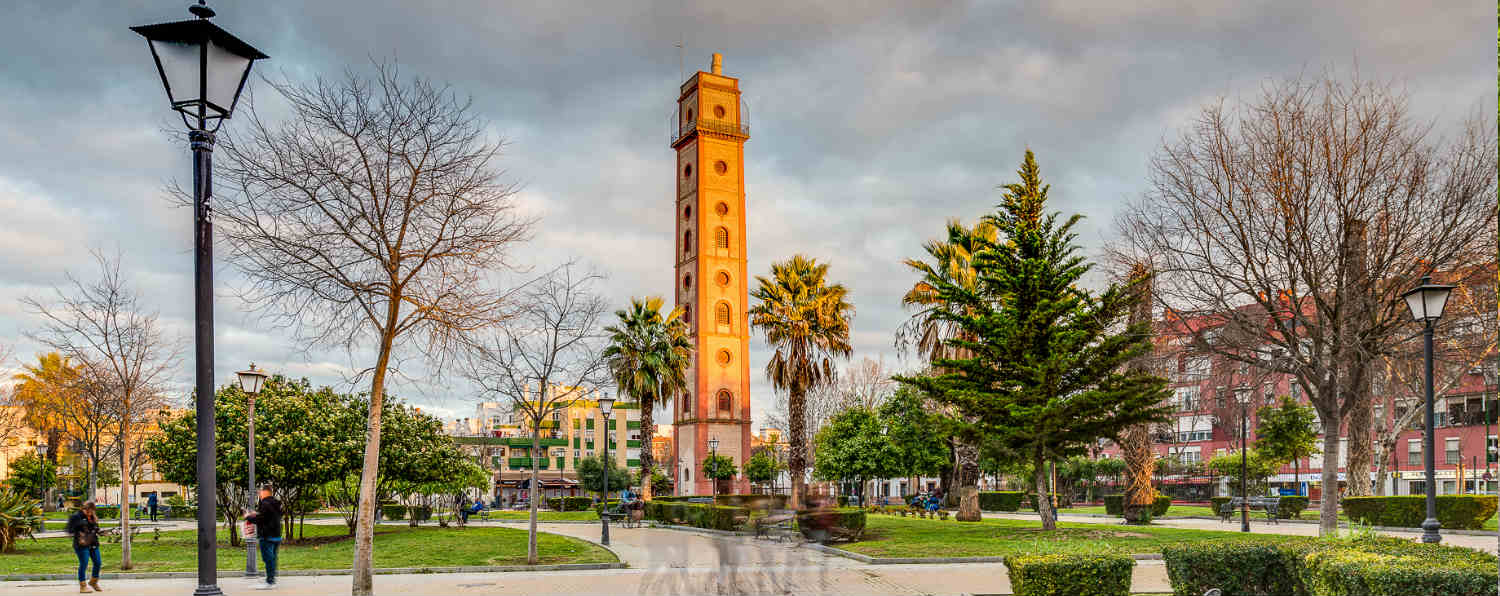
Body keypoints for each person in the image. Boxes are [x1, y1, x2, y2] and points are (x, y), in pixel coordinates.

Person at [244, 485, 282, 590]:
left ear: (265, 492)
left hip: (267, 536)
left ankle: (270, 582)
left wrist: (248, 517)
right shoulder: (276, 503)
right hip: (277, 535)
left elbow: (261, 520)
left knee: (268, 559)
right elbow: (269, 516)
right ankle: (271, 579)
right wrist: (257, 514)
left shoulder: (265, 503)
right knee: (272, 559)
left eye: (260, 492)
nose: (259, 494)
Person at [66, 500, 102, 593]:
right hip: (81, 544)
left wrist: (100, 531)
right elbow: (69, 530)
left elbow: (95, 528)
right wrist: (80, 525)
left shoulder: (92, 517)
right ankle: (83, 586)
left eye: (93, 511)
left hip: (93, 543)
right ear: (85, 509)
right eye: (90, 511)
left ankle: (93, 582)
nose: (91, 513)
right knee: (84, 563)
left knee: (98, 562)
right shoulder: (76, 516)